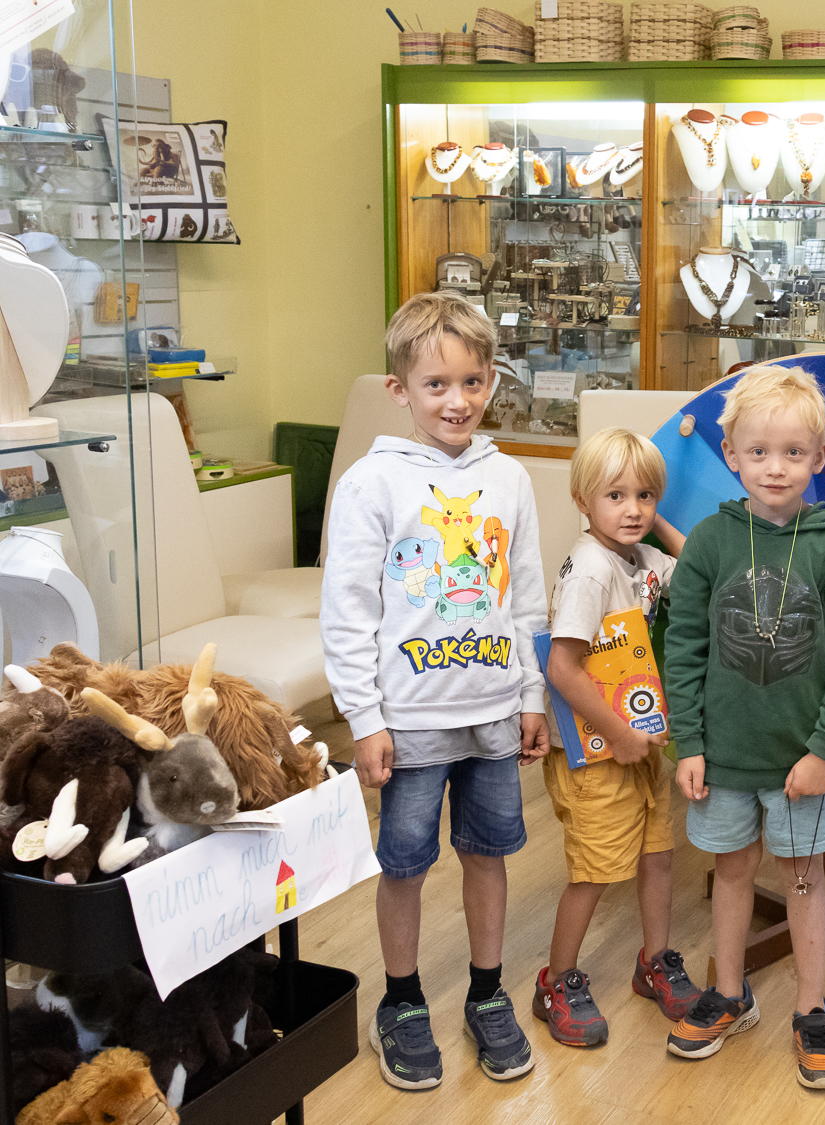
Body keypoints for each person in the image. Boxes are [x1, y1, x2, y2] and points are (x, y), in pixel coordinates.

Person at [321, 291, 550, 1089]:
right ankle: (403, 1000)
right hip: (408, 720)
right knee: (406, 863)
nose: (457, 401)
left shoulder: (510, 477)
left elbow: (524, 597)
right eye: (436, 384)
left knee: (489, 856)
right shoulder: (371, 483)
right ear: (400, 390)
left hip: (492, 713)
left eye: (473, 381)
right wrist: (363, 716)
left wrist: (532, 696)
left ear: (492, 381)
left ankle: (488, 991)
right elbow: (346, 612)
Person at [664, 365, 825, 1090]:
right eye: (759, 452)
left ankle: (812, 1010)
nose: (776, 467)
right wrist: (688, 743)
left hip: (801, 764)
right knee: (730, 870)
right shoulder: (708, 543)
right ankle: (729, 991)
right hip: (722, 757)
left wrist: (824, 750)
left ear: (820, 457)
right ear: (731, 454)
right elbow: (683, 647)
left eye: (793, 452)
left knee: (803, 878)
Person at [533, 427, 704, 1046]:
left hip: (636, 742)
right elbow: (562, 668)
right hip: (595, 748)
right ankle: (558, 978)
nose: (632, 510)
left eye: (645, 497)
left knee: (657, 855)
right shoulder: (589, 571)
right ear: (583, 501)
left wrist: (658, 526)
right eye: (615, 496)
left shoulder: (642, 559)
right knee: (597, 868)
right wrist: (622, 734)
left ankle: (653, 961)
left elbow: (701, 569)